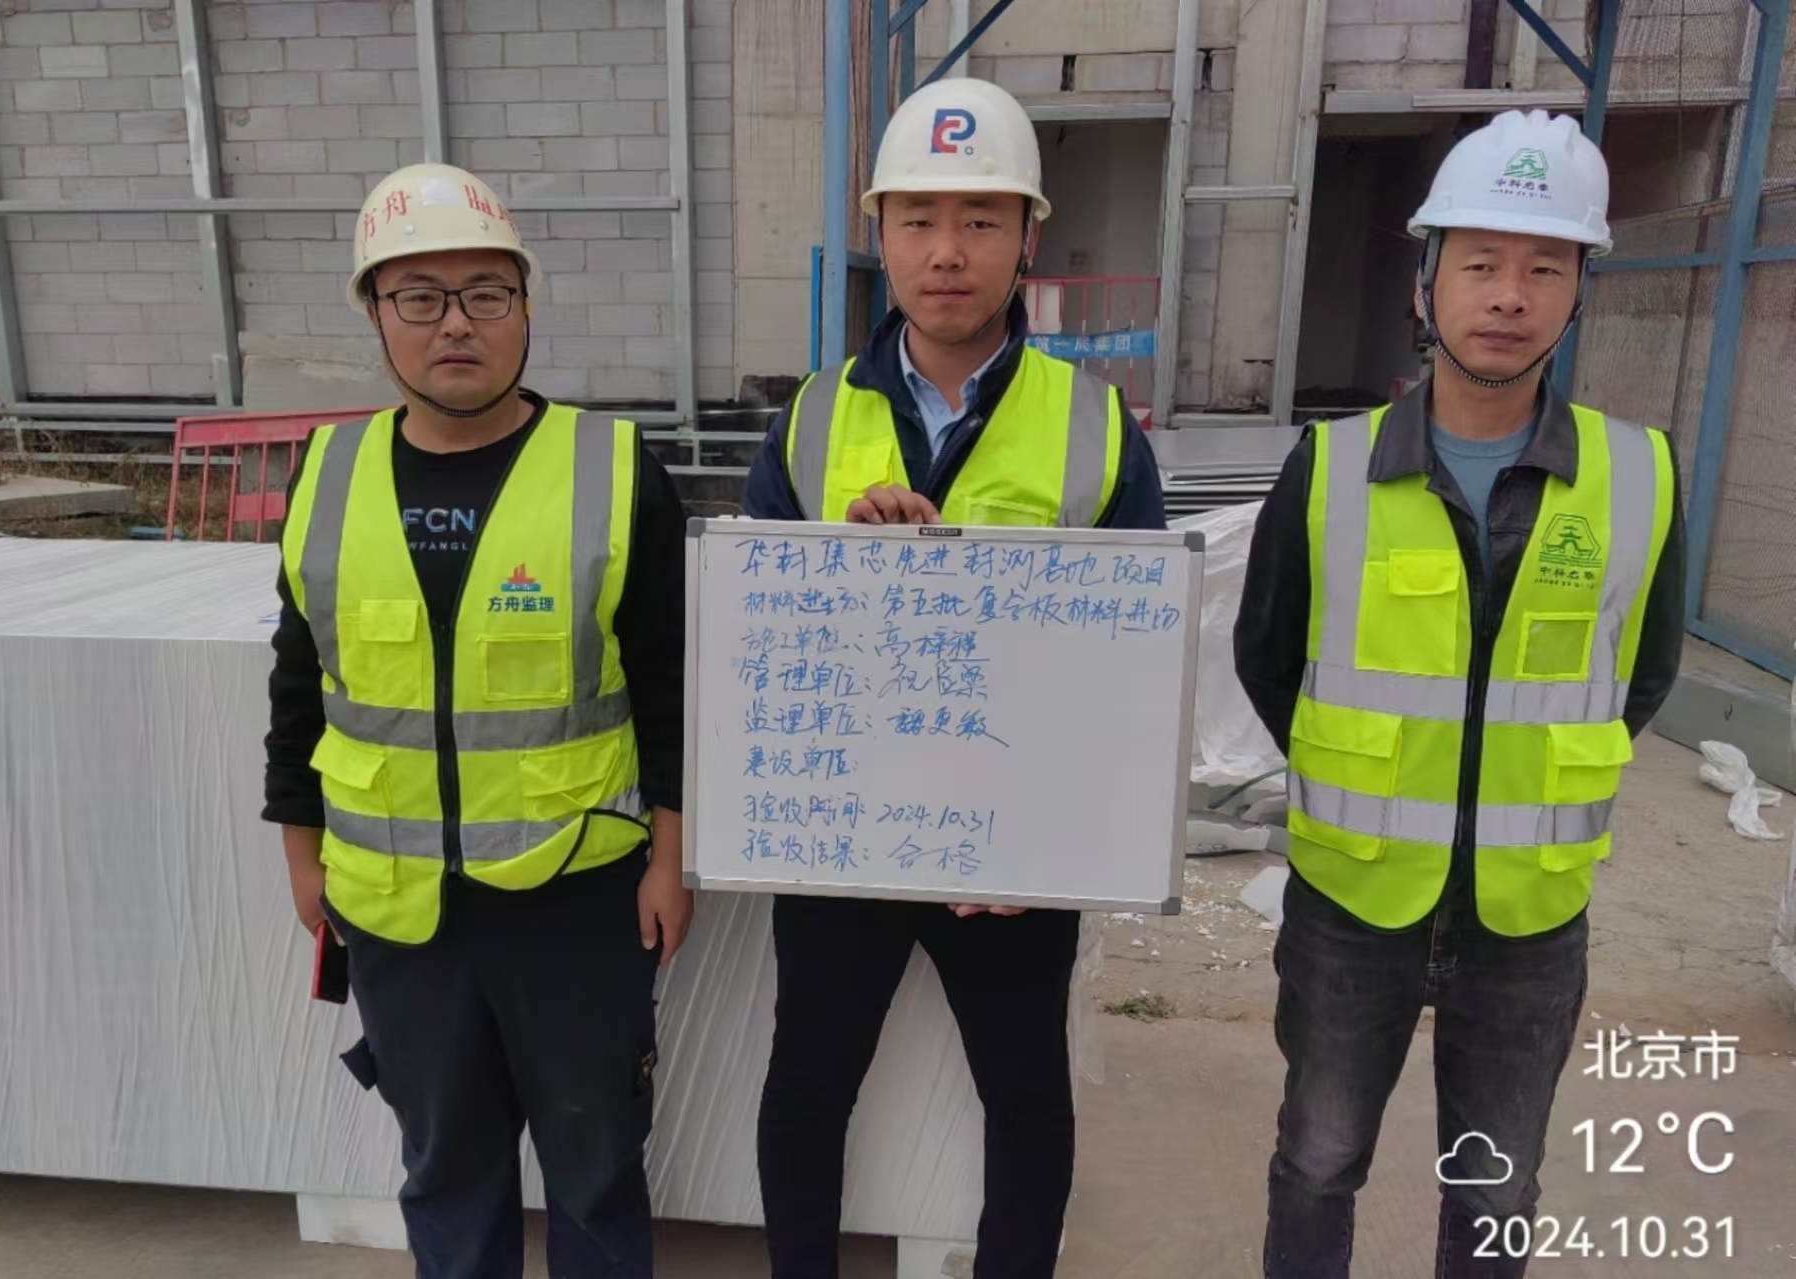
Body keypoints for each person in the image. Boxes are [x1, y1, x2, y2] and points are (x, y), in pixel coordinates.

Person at [1234, 110, 1686, 1278]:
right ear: (1426, 279)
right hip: (1354, 898)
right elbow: (1268, 654)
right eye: (1480, 263)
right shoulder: (1330, 465)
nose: (1509, 296)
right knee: (1317, 1163)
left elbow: (1643, 671)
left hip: (1527, 914)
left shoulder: (1638, 475)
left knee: (1495, 1186)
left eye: (1545, 267)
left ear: (1577, 293)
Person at [742, 77, 1167, 1279]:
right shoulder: (809, 422)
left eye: (981, 219)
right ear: (878, 234)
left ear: (1027, 236)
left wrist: (1048, 838)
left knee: (1024, 1094)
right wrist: (844, 565)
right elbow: (755, 641)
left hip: (1011, 857)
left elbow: (1129, 669)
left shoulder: (1095, 427)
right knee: (807, 1082)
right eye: (919, 219)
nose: (947, 251)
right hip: (843, 838)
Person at [262, 163, 692, 1279]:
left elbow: (668, 686)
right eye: (419, 296)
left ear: (525, 306)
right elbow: (300, 685)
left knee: (596, 1164)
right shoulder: (329, 472)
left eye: (486, 293)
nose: (455, 323)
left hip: (577, 890)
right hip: (397, 906)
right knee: (446, 1168)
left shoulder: (612, 467)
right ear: (375, 313)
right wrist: (302, 855)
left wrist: (670, 859)